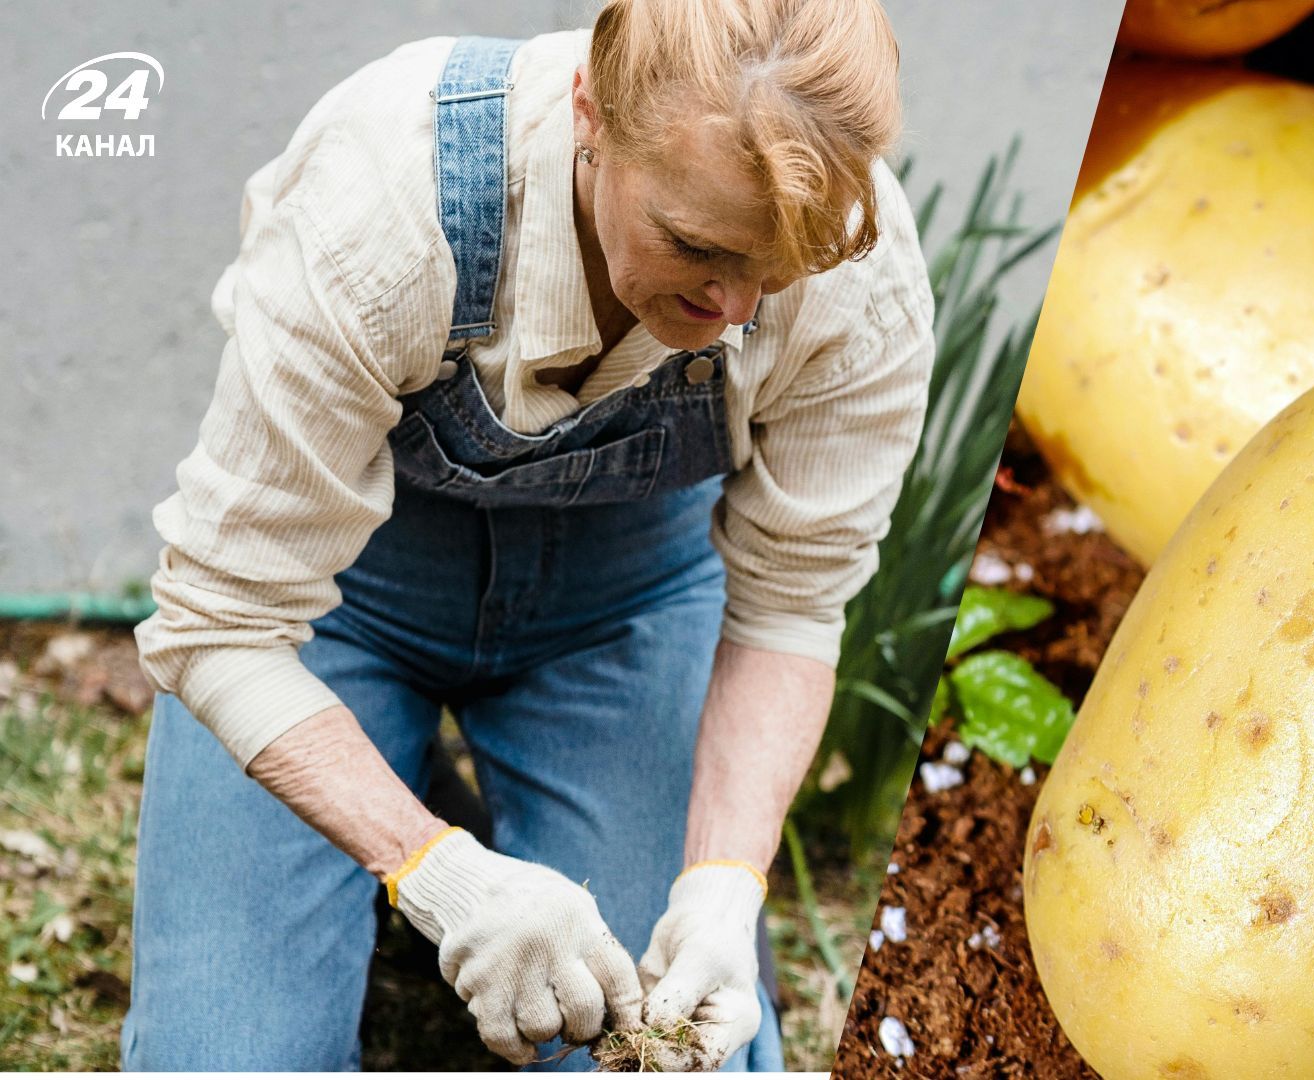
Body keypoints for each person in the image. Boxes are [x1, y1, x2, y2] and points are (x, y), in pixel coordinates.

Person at [123, 0, 932, 1070]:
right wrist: (440, 877)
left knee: (668, 1046)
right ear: (592, 108)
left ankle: (469, 795)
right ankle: (404, 797)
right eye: (694, 244)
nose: (738, 307)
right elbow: (220, 625)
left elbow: (790, 608)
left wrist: (724, 886)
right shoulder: (383, 207)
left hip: (627, 606)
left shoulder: (857, 280)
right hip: (338, 603)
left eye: (774, 266)